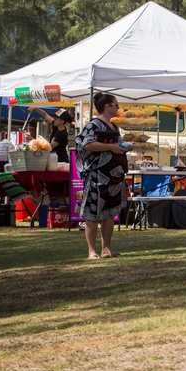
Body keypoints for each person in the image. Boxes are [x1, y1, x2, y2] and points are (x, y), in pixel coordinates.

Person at [75, 92, 131, 259]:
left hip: (114, 176)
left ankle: (107, 249)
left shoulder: (114, 126)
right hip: (97, 175)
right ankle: (92, 251)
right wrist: (112, 147)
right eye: (116, 105)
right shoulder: (93, 125)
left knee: (109, 212)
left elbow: (117, 145)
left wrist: (124, 147)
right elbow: (87, 145)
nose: (118, 108)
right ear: (107, 107)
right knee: (93, 212)